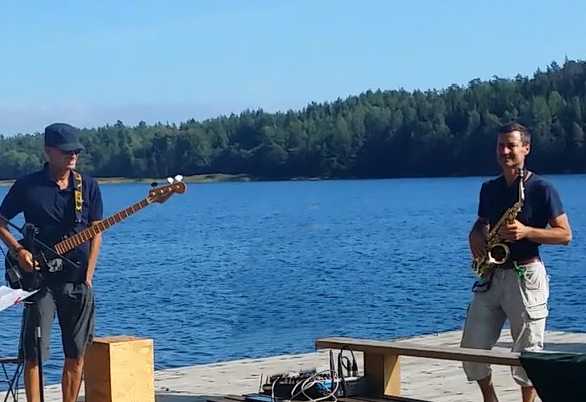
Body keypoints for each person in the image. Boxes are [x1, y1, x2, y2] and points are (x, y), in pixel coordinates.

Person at [460, 122, 572, 402]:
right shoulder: (489, 188)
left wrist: (527, 231)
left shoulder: (542, 188)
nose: (505, 151)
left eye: (511, 145)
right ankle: (490, 399)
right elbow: (482, 223)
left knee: (528, 351)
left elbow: (565, 235)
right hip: (493, 275)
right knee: (471, 346)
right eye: (501, 145)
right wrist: (476, 236)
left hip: (526, 275)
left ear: (526, 148)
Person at [0, 123, 103, 402]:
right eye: (66, 151)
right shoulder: (27, 186)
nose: (73, 156)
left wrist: (89, 274)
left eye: (76, 152)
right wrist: (19, 251)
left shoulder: (88, 186)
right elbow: (1, 222)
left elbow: (96, 232)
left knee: (76, 353)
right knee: (34, 354)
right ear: (49, 152)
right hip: (39, 281)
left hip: (77, 280)